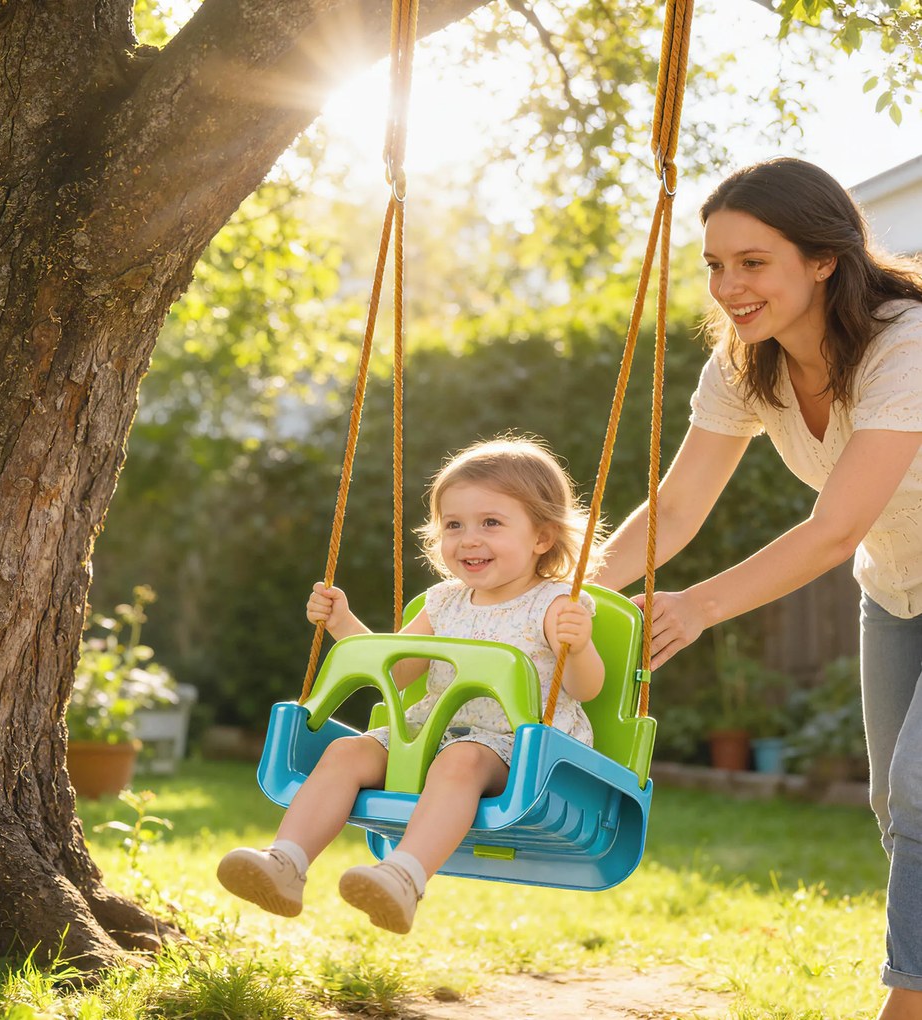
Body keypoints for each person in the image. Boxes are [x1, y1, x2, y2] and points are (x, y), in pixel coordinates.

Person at [591, 158, 922, 1020]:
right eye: (715, 265)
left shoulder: (906, 344)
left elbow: (833, 527)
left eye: (752, 261)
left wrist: (698, 606)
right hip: (896, 587)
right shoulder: (747, 366)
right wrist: (569, 588)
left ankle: (909, 1003)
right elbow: (676, 504)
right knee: (896, 802)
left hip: (870, 555)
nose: (728, 286)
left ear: (823, 259)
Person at [217, 436, 605, 934]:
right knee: (346, 752)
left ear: (542, 538)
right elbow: (398, 671)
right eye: (453, 524)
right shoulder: (442, 602)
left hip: (521, 748)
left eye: (491, 522)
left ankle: (404, 878)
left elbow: (585, 688)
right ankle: (285, 863)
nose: (468, 538)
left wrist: (581, 646)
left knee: (460, 760)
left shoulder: (552, 604)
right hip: (428, 733)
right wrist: (343, 624)